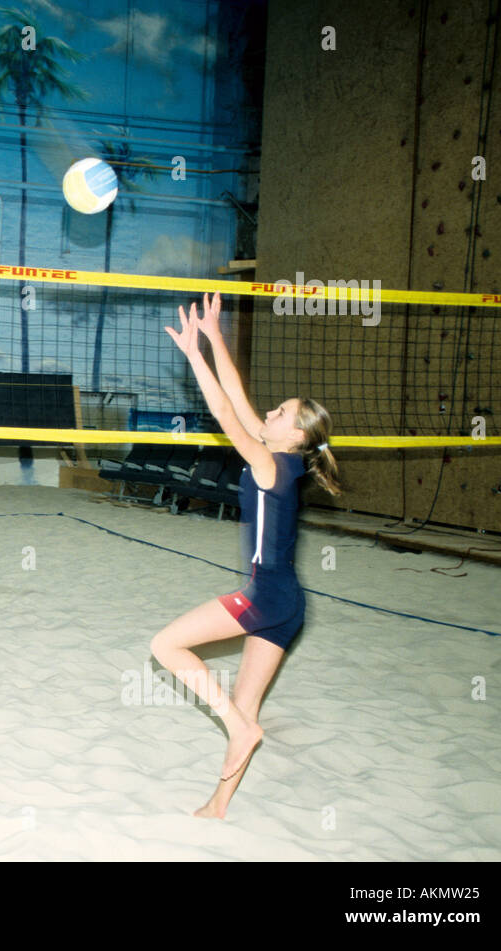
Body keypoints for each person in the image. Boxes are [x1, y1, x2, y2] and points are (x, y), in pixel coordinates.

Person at [152, 292, 341, 818]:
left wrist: (192, 355)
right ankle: (217, 806)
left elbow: (224, 413)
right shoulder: (288, 459)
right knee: (247, 708)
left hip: (264, 597)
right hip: (290, 604)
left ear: (295, 433)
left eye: (280, 412)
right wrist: (214, 335)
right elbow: (238, 398)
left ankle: (236, 727)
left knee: (166, 646)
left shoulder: (267, 461)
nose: (269, 412)